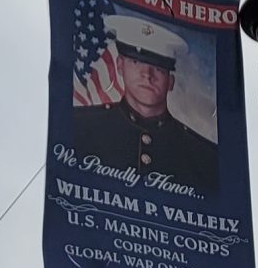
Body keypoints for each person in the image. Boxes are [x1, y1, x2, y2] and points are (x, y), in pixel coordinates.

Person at [72, 15, 218, 195]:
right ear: (119, 66)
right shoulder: (81, 125)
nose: (147, 75)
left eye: (158, 68)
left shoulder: (204, 156)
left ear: (170, 81)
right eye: (136, 62)